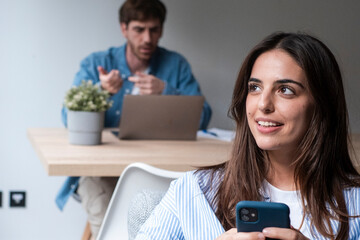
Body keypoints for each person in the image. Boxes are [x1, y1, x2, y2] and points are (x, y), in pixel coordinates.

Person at [135, 32, 360, 239]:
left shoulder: (355, 204)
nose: (263, 104)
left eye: (286, 90)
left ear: (322, 105)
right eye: (255, 88)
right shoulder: (193, 191)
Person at [55, 0, 212, 238]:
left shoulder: (176, 65)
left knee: (173, 225)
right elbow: (68, 117)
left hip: (160, 168)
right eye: (139, 29)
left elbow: (203, 118)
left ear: (161, 30)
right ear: (124, 29)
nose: (147, 38)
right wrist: (102, 91)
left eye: (154, 29)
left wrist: (166, 91)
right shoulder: (97, 63)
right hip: (101, 170)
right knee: (112, 227)